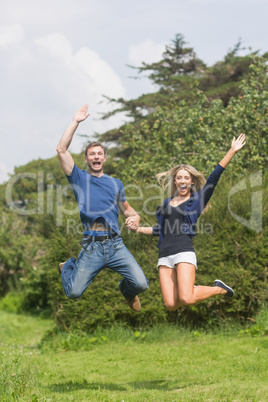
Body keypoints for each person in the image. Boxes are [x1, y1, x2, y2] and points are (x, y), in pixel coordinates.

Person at [130, 134, 246, 311]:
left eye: (186, 178)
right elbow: (161, 230)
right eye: (179, 178)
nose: (182, 181)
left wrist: (231, 151)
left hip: (183, 251)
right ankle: (204, 290)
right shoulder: (165, 204)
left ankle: (219, 289)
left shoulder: (197, 201)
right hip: (164, 255)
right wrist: (137, 229)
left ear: (191, 181)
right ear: (175, 181)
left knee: (187, 298)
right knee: (170, 305)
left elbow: (214, 177)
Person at [56, 104, 149, 312]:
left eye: (100, 154)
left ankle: (126, 290)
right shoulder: (79, 178)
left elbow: (130, 211)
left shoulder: (116, 184)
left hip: (116, 246)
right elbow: (61, 150)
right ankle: (67, 266)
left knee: (141, 284)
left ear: (105, 158)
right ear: (87, 159)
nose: (96, 157)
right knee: (73, 293)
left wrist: (135, 219)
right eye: (92, 154)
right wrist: (75, 122)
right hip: (91, 247)